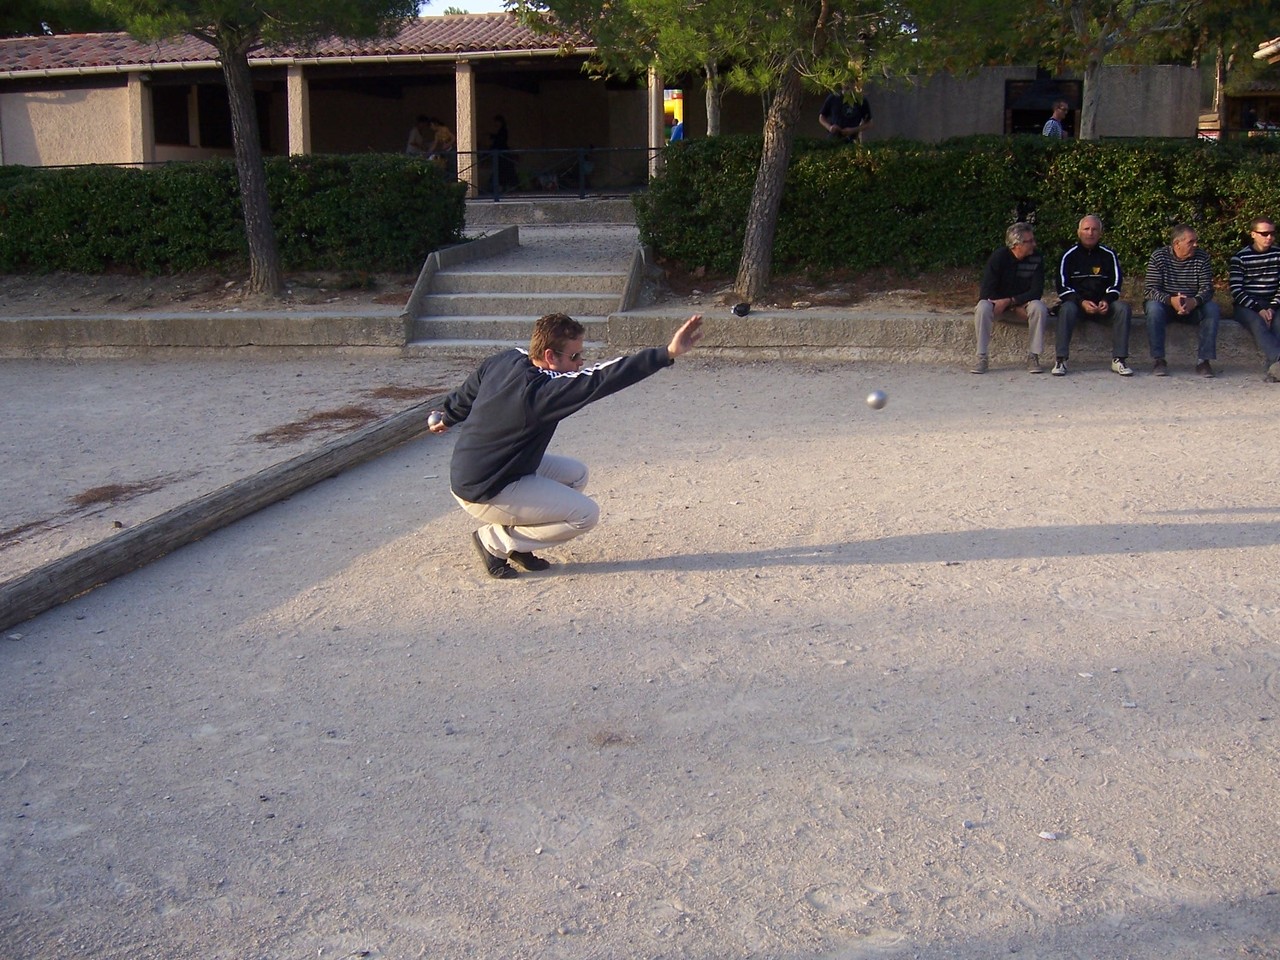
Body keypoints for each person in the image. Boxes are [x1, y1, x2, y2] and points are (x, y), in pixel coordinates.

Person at [428, 312, 705, 579]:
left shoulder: (508, 358)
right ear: (550, 355)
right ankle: (495, 541)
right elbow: (602, 378)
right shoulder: (542, 394)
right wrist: (666, 352)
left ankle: (520, 545)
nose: (580, 363)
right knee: (585, 515)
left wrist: (448, 417)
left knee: (576, 475)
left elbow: (471, 387)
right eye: (574, 356)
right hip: (485, 488)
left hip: (490, 469)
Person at [1052, 214, 1133, 376]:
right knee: (1066, 309)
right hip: (1077, 305)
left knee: (1123, 308)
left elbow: (1116, 283)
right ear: (1079, 232)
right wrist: (1081, 302)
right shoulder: (1068, 255)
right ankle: (1061, 360)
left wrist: (1107, 300)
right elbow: (1062, 287)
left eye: (1095, 229)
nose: (1090, 233)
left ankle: (1119, 359)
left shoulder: (1109, 254)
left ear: (1100, 233)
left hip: (1103, 306)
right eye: (1086, 229)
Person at [1143, 224, 1221, 377]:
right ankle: (1159, 360)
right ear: (1176, 244)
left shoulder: (1202, 257)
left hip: (1193, 305)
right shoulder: (1159, 257)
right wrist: (1171, 300)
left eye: (1195, 241)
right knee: (1153, 308)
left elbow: (1207, 289)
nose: (1195, 245)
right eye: (1190, 242)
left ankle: (1203, 361)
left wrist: (1194, 301)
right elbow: (1150, 290)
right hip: (1166, 305)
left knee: (1212, 309)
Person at [971, 222, 1049, 374]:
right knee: (982, 307)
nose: (1034, 244)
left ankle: (1033, 355)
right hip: (1000, 307)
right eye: (1030, 241)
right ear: (1016, 245)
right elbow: (986, 292)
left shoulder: (1037, 258)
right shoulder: (998, 257)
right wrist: (1007, 304)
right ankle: (981, 356)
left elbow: (1036, 291)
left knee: (1039, 308)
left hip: (1022, 306)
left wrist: (1012, 301)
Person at [1227, 216, 1280, 383]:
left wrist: (1272, 306)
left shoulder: (1278, 255)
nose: (1269, 237)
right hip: (1247, 305)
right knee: (1258, 323)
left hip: (1273, 302)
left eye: (1272, 233)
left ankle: (1275, 368)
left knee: (1278, 323)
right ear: (1253, 234)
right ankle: (1278, 362)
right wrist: (1259, 309)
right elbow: (1236, 290)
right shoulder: (1240, 258)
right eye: (1264, 234)